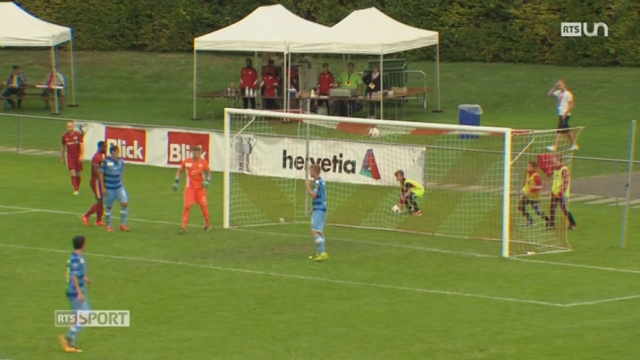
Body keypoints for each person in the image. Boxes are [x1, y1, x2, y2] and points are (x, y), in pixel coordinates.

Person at [58, 235, 92, 353]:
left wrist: (85, 279)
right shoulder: (76, 259)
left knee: (77, 317)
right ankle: (68, 337)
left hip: (77, 290)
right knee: (87, 315)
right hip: (76, 292)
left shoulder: (77, 257)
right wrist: (79, 292)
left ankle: (71, 344)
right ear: (82, 244)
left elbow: (77, 274)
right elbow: (73, 276)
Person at [173, 145, 212, 234]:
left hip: (200, 189)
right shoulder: (187, 162)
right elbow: (180, 170)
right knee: (187, 207)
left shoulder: (203, 162)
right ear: (192, 152)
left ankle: (207, 225)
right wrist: (176, 181)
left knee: (204, 207)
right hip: (190, 188)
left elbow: (208, 173)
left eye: (199, 153)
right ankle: (183, 228)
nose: (197, 155)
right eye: (196, 153)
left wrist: (208, 181)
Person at [101, 146, 130, 232]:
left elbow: (121, 173)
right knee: (109, 207)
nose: (115, 154)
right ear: (111, 153)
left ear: (118, 152)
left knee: (125, 203)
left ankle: (123, 224)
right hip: (109, 188)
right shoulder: (106, 162)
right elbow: (101, 174)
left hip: (119, 187)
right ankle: (109, 226)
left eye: (116, 153)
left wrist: (121, 184)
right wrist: (102, 187)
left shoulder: (121, 162)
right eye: (113, 153)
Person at [547, 79, 578, 151]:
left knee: (559, 130)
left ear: (564, 85)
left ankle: (555, 146)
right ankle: (574, 144)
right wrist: (555, 87)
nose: (559, 86)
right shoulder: (559, 93)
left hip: (565, 114)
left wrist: (565, 113)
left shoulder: (568, 94)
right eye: (558, 85)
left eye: (560, 85)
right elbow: (549, 94)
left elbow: (572, 105)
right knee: (566, 130)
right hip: (560, 113)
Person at [81, 141, 107, 227]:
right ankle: (86, 216)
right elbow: (97, 172)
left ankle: (98, 221)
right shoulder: (96, 157)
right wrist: (102, 185)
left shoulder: (101, 156)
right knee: (99, 201)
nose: (106, 149)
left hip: (99, 181)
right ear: (100, 147)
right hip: (96, 181)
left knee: (101, 201)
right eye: (104, 147)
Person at [306, 164, 328, 261]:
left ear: (315, 171)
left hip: (319, 209)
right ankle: (319, 253)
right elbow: (320, 196)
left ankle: (323, 252)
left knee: (315, 231)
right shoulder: (321, 181)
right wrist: (313, 208)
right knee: (320, 231)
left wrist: (307, 186)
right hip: (320, 208)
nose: (310, 172)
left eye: (311, 171)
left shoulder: (317, 182)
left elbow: (314, 195)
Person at [548, 155, 577, 230]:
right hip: (555, 192)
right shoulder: (555, 169)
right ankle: (552, 225)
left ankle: (573, 223)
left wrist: (561, 192)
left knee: (564, 209)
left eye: (554, 161)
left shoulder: (564, 170)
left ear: (559, 161)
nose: (553, 162)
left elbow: (565, 182)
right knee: (552, 208)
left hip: (562, 194)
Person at [519, 161, 550, 227]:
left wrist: (532, 190)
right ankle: (530, 220)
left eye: (529, 166)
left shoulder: (536, 176)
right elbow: (528, 182)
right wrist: (524, 186)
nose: (527, 167)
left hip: (534, 197)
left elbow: (539, 186)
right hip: (527, 196)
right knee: (521, 207)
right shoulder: (528, 174)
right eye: (527, 166)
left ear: (533, 168)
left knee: (538, 212)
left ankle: (548, 220)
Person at [61, 122, 84, 195]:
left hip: (77, 156)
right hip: (70, 157)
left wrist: (82, 155)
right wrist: (62, 157)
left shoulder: (78, 135)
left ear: (73, 127)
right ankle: (76, 189)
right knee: (73, 173)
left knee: (78, 175)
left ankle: (77, 188)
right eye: (67, 127)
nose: (69, 128)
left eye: (70, 126)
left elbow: (81, 145)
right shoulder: (64, 136)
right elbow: (63, 147)